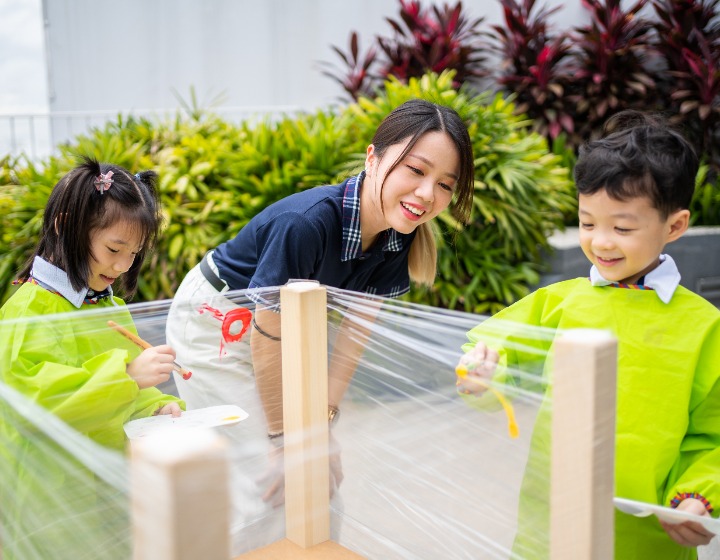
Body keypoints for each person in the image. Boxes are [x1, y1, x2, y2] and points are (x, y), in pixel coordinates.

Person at [166, 98, 475, 552]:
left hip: (284, 333)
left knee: (316, 484)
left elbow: (354, 337)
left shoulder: (397, 237)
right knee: (267, 483)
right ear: (374, 158)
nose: (428, 194)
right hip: (215, 324)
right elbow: (266, 337)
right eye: (415, 170)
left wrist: (320, 428)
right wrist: (282, 440)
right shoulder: (306, 224)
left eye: (445, 184)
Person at [456, 110, 720, 559]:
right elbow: (488, 353)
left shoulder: (704, 327)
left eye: (622, 227)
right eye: (587, 223)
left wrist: (697, 495)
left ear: (674, 226)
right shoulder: (558, 302)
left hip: (648, 534)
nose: (600, 242)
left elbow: (712, 435)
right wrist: (479, 375)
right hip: (552, 517)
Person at [0, 157, 185, 559]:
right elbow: (34, 403)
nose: (122, 266)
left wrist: (157, 405)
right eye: (114, 248)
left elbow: (129, 394)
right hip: (48, 491)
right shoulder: (27, 310)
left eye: (133, 253)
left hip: (106, 483)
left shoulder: (110, 307)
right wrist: (127, 377)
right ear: (65, 225)